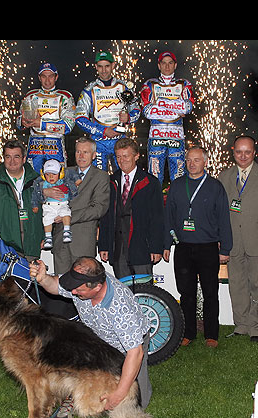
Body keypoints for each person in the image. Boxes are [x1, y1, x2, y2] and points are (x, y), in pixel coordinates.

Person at [29, 256, 152, 418]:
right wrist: (43, 278)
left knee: (135, 401)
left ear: (97, 287)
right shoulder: (80, 285)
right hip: (96, 340)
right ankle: (74, 396)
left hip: (127, 347)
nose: (72, 293)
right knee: (82, 371)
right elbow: (57, 286)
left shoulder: (121, 307)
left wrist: (119, 394)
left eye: (78, 290)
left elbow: (135, 353)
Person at [163, 146, 232, 348]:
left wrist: (225, 249)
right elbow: (169, 218)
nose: (192, 164)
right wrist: (167, 243)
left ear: (205, 162)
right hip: (184, 247)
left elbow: (224, 219)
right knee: (186, 293)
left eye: (196, 160)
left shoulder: (215, 186)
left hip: (208, 247)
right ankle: (188, 332)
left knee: (211, 292)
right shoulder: (176, 186)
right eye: (189, 160)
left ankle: (212, 334)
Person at [218, 136, 258, 342]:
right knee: (237, 284)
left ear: (255, 152)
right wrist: (221, 240)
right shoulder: (224, 176)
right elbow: (219, 212)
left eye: (247, 152)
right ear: (233, 151)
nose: (243, 156)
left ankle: (257, 328)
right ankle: (241, 324)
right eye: (239, 152)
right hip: (233, 241)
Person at [98, 138, 164, 279]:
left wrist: (156, 247)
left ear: (136, 156)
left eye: (126, 156)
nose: (122, 161)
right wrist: (104, 245)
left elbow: (157, 218)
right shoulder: (110, 181)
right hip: (118, 249)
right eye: (118, 157)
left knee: (145, 293)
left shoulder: (150, 183)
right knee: (123, 293)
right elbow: (106, 216)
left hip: (142, 248)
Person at [0, 139, 43, 272]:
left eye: (16, 157)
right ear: (3, 158)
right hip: (2, 249)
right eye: (8, 157)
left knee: (28, 290)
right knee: (1, 290)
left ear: (24, 159)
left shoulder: (38, 181)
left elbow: (49, 211)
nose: (12, 161)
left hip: (30, 247)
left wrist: (46, 236)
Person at [51, 137, 110, 274]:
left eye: (85, 152)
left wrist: (68, 217)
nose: (81, 156)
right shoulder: (63, 173)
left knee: (83, 289)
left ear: (94, 155)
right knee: (61, 288)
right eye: (78, 152)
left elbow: (98, 209)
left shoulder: (101, 176)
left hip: (82, 244)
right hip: (60, 242)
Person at [75, 51, 140, 172]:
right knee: (98, 179)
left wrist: (129, 118)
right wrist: (103, 131)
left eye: (107, 66)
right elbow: (79, 119)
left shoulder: (124, 87)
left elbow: (136, 110)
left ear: (113, 65)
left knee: (123, 176)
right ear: (96, 67)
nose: (104, 70)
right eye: (100, 66)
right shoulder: (89, 90)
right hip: (98, 142)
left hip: (120, 141)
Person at [140, 51, 195, 182]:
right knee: (154, 176)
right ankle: (154, 202)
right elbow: (147, 111)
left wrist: (159, 102)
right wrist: (176, 106)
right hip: (156, 135)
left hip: (177, 135)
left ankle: (178, 202)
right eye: (164, 63)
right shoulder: (150, 84)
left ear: (175, 65)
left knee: (179, 175)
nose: (167, 67)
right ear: (159, 65)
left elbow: (187, 107)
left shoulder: (184, 84)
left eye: (170, 63)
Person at [16, 62, 76, 173]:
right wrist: (22, 122)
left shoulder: (65, 97)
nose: (47, 80)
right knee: (32, 183)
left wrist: (42, 124)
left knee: (57, 182)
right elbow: (19, 122)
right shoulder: (31, 96)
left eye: (51, 76)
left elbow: (67, 127)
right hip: (35, 146)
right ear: (39, 77)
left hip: (55, 145)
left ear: (56, 77)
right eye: (44, 76)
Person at [31, 158, 82, 250]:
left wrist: (76, 180)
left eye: (54, 174)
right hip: (49, 206)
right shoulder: (41, 184)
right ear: (43, 175)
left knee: (66, 214)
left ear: (60, 173)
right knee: (46, 220)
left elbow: (71, 172)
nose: (51, 177)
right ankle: (48, 237)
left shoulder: (64, 180)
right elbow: (34, 194)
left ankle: (67, 230)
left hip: (62, 204)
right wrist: (35, 204)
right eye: (47, 174)